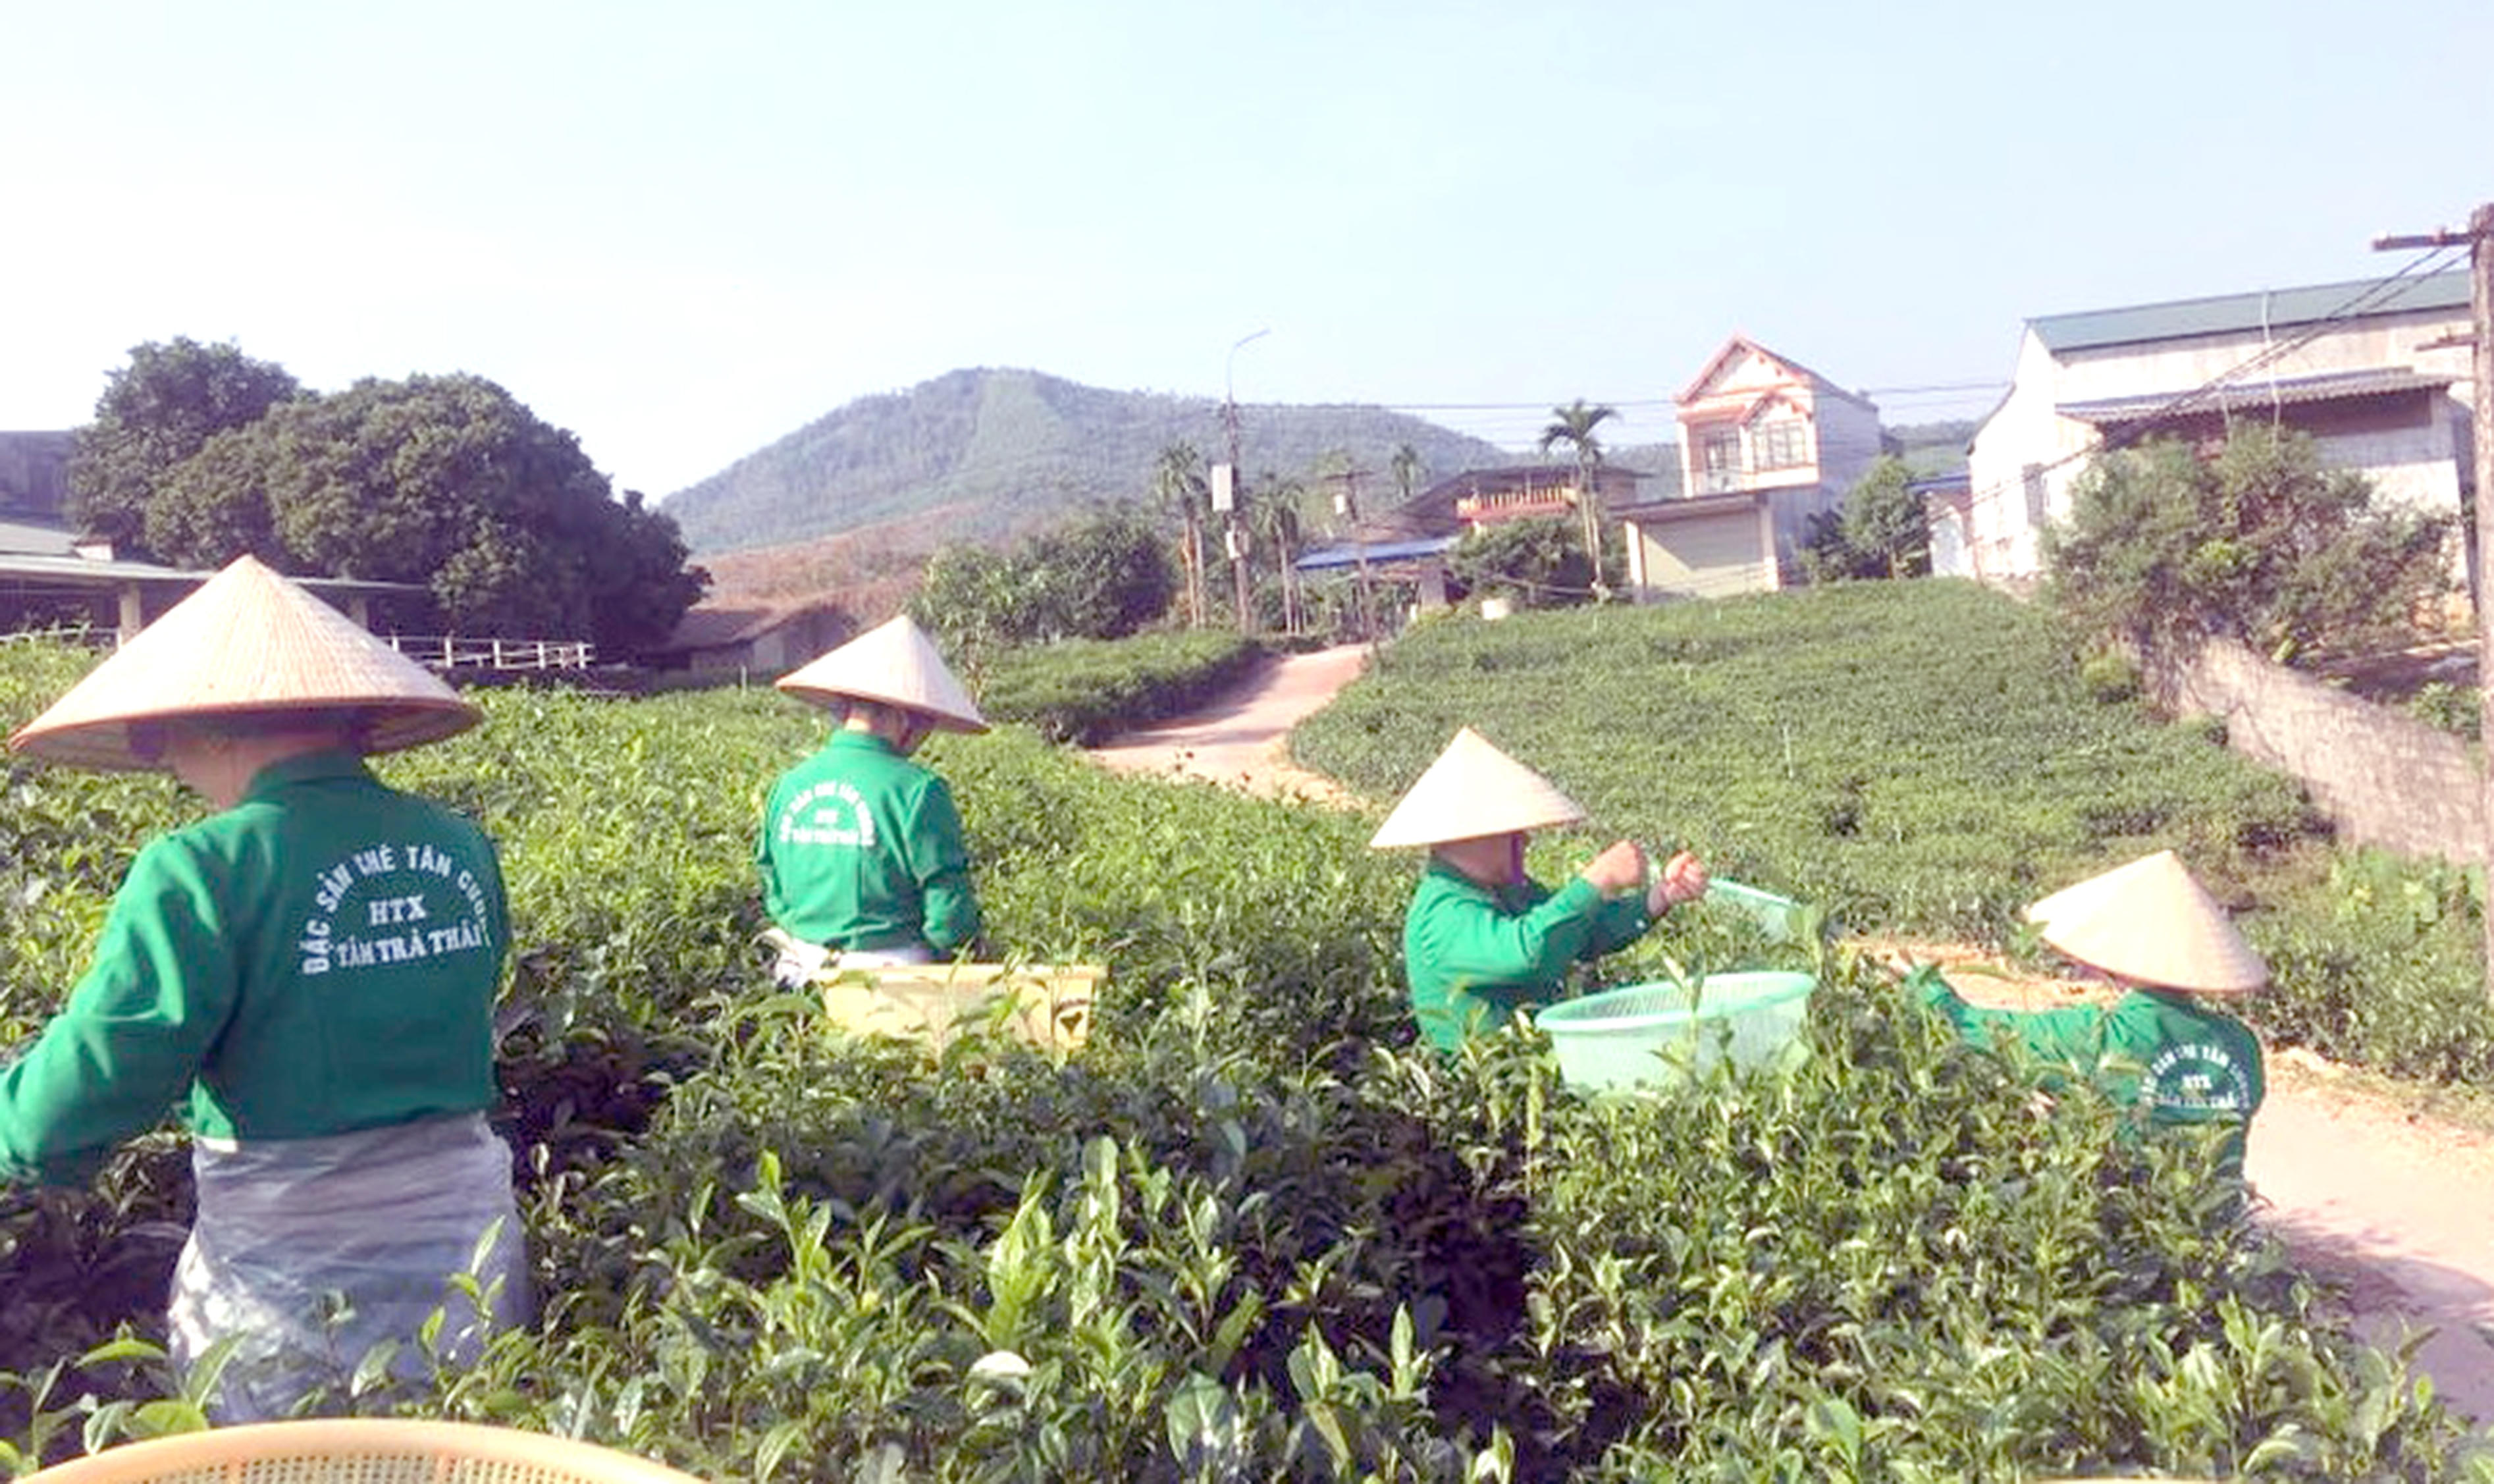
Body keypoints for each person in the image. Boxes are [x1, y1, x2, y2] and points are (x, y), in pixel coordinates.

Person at [0, 554, 524, 1420]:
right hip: (469, 1252)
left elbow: (104, 1069)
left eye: (163, 739)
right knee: (467, 1444)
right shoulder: (459, 843)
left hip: (294, 1277)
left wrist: (18, 1126)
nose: (168, 764)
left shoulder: (198, 867)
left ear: (212, 727)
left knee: (297, 1456)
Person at [1916, 849, 2268, 1180]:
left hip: (2132, 1214)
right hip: (2220, 1217)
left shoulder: (2096, 1034)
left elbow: (1970, 1027)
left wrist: (1923, 984)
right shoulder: (2241, 1042)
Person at [1370, 726, 1709, 1051]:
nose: (1526, 840)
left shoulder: (1507, 890)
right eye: (1513, 832)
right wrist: (1598, 880)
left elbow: (1580, 933)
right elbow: (1526, 955)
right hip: (1486, 1084)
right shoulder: (1441, 912)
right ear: (1474, 836)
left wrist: (1660, 897)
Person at [756, 614, 988, 986]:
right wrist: (951, 954)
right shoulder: (920, 790)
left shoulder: (789, 784)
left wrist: (804, 928)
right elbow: (949, 912)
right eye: (926, 724)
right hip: (891, 975)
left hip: (796, 967)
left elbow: (770, 877)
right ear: (903, 718)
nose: (925, 736)